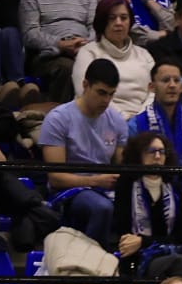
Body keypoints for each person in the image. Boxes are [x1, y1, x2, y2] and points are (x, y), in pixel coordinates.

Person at [37, 57, 128, 246]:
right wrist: (94, 181)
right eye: (101, 93)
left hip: (103, 188)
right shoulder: (58, 119)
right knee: (102, 208)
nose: (106, 100)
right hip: (69, 192)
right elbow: (56, 178)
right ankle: (89, 265)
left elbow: (123, 166)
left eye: (111, 94)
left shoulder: (117, 121)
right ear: (85, 85)